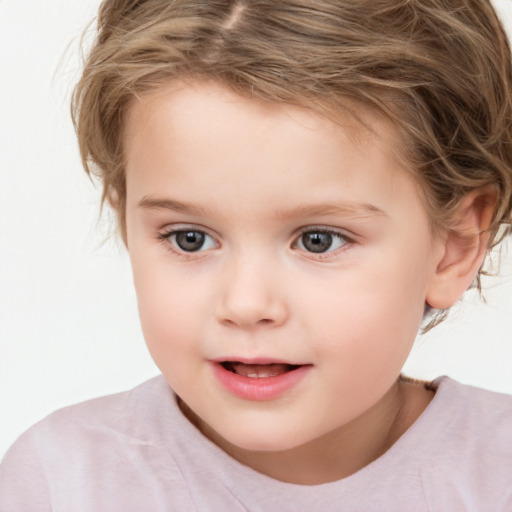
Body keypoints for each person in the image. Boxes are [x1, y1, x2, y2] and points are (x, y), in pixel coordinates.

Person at [1, 0, 511, 509]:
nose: (246, 304)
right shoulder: (63, 484)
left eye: (318, 240)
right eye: (189, 238)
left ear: (454, 246)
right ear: (126, 224)